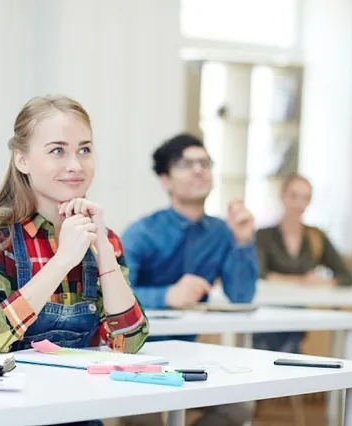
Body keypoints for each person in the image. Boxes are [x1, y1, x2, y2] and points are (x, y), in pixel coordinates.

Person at [0, 95, 148, 425]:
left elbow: (129, 342)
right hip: (2, 414)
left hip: (77, 410)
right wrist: (63, 260)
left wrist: (102, 247)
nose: (76, 164)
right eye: (58, 150)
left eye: (84, 149)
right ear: (22, 160)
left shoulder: (104, 237)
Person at [120, 133, 257, 426]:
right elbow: (112, 297)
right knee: (143, 416)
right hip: (140, 355)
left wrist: (243, 243)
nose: (199, 170)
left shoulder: (222, 232)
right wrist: (166, 296)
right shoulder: (141, 233)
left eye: (204, 163)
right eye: (185, 164)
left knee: (238, 409)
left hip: (193, 356)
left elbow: (241, 296)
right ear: (165, 179)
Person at [253, 174, 352, 353]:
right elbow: (259, 275)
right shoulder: (264, 236)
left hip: (298, 320)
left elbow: (346, 275)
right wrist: (301, 281)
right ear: (282, 196)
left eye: (305, 197)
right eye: (293, 196)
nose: (299, 203)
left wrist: (324, 283)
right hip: (265, 319)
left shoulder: (316, 237)